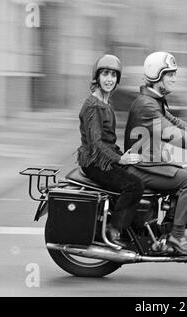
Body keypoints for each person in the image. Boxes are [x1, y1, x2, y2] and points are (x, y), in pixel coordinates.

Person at [124, 52, 187, 256]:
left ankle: (174, 227)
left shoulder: (154, 101)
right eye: (169, 74)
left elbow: (178, 124)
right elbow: (174, 135)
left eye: (174, 74)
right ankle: (177, 236)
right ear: (156, 76)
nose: (174, 78)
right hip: (142, 167)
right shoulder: (147, 105)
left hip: (151, 163)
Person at [77, 54, 144, 248]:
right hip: (95, 162)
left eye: (113, 75)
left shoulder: (105, 103)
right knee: (134, 185)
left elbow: (108, 140)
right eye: (105, 74)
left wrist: (127, 155)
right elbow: (96, 142)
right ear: (97, 77)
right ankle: (114, 229)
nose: (109, 79)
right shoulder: (93, 106)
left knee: (140, 173)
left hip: (105, 158)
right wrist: (119, 160)